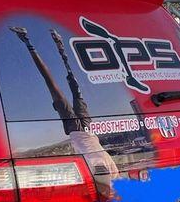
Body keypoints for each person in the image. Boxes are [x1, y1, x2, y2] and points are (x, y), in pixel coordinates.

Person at [10, 25, 118, 193]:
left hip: (88, 127)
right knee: (55, 85)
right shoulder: (104, 170)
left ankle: (57, 45)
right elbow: (102, 178)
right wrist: (105, 190)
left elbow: (107, 177)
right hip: (79, 129)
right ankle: (32, 41)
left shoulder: (112, 171)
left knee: (72, 89)